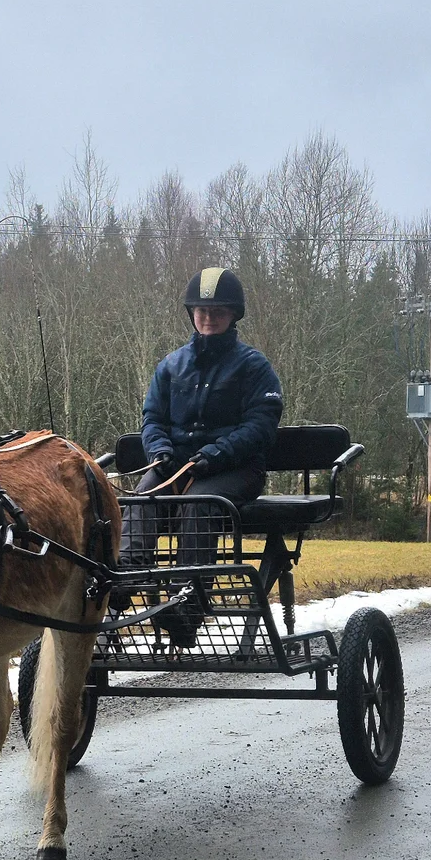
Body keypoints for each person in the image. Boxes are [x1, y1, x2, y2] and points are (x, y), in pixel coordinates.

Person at [117, 267, 283, 644]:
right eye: (202, 312)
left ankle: (188, 602)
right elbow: (152, 418)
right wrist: (159, 452)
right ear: (192, 314)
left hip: (235, 469)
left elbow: (260, 425)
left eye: (218, 312)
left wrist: (215, 454)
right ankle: (127, 578)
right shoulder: (171, 365)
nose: (208, 319)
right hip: (173, 465)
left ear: (233, 316)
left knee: (198, 503)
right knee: (141, 498)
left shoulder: (254, 367)